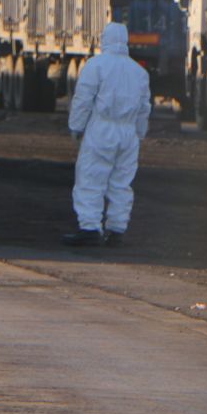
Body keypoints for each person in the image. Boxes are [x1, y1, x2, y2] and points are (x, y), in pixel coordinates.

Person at [62, 21, 151, 247]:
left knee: (91, 178)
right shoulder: (139, 72)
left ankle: (90, 227)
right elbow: (144, 107)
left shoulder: (96, 66)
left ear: (104, 39)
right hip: (128, 134)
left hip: (102, 130)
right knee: (121, 183)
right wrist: (139, 132)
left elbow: (82, 100)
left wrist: (76, 126)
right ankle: (117, 229)